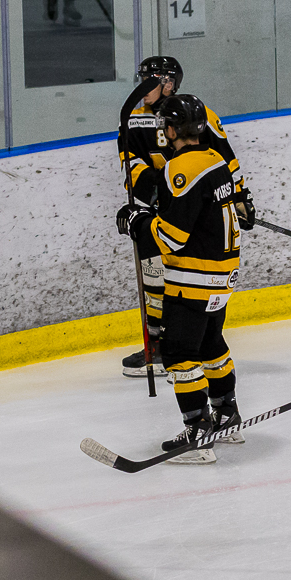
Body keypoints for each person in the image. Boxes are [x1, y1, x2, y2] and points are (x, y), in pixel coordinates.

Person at [116, 94, 242, 464]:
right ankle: (227, 417)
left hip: (193, 276)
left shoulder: (179, 168)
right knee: (211, 345)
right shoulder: (215, 159)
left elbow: (171, 236)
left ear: (171, 130)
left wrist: (138, 223)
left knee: (179, 353)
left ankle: (198, 434)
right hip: (222, 275)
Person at [116, 55, 252, 377]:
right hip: (159, 208)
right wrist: (159, 192)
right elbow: (131, 165)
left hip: (196, 211)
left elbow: (225, 160)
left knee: (193, 275)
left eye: (149, 81)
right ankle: (157, 345)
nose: (142, 88)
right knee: (153, 278)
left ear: (168, 83)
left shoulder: (198, 115)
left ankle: (196, 342)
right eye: (142, 80)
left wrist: (240, 197)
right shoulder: (133, 119)